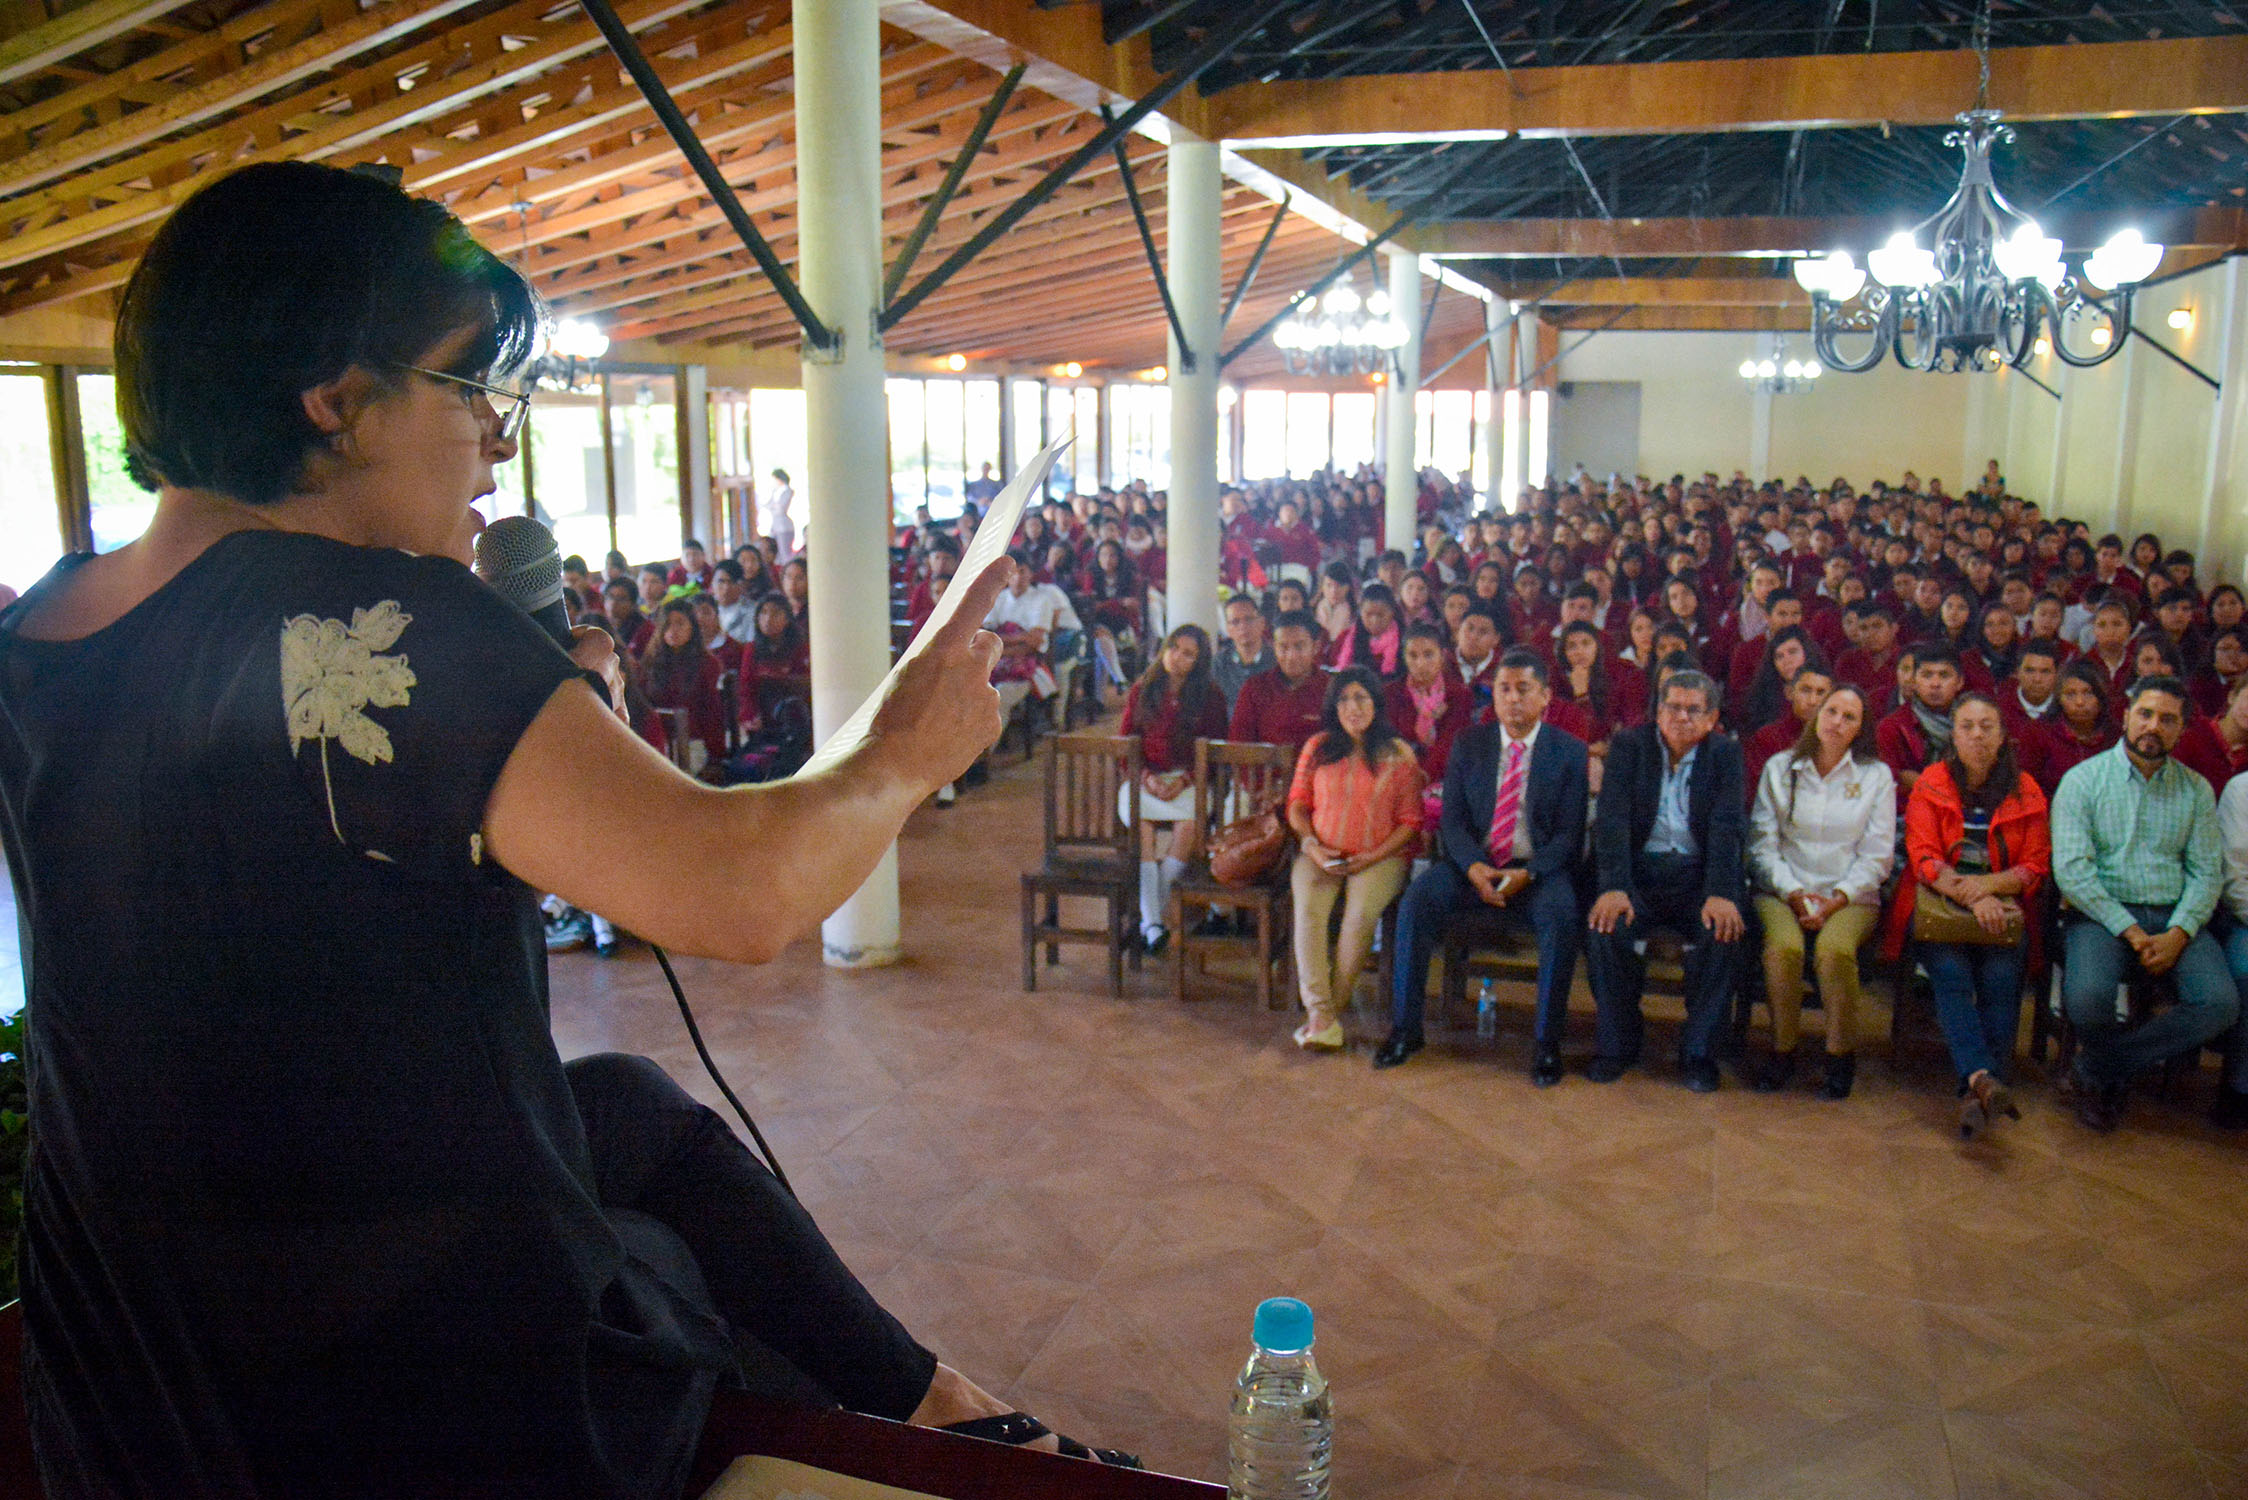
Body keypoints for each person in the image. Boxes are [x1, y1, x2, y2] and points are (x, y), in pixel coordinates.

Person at [0, 160, 1133, 1498]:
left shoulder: (45, 626)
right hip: (378, 1406)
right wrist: (909, 753)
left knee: (625, 1112)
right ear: (333, 396)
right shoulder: (380, 625)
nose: (499, 439)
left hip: (125, 1369)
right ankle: (929, 1438)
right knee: (716, 1312)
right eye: (469, 386)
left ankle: (939, 1401)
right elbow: (742, 895)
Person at [1375, 650, 1589, 1084]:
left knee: (1562, 916)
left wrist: (1527, 874)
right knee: (1416, 901)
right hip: (1473, 865)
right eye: (1503, 690)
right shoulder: (1471, 744)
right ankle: (1405, 1030)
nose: (1511, 700)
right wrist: (1473, 866)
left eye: (1522, 690)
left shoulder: (1568, 752)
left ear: (1545, 696)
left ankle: (1546, 1044)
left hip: (1535, 871)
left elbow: (1570, 834)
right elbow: (1451, 819)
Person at [2049, 676, 2239, 1132]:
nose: (2154, 727)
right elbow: (2073, 872)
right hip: (2101, 916)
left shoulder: (2196, 790)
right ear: (2128, 715)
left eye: (2168, 720)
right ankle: (2112, 1070)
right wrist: (2129, 930)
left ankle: (2098, 1069)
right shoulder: (2083, 780)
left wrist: (2179, 933)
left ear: (2182, 730)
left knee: (2220, 1003)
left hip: (2175, 917)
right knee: (2089, 997)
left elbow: (2206, 872)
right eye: (2146, 714)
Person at [1883, 695, 2051, 1140]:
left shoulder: (2026, 789)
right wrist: (1973, 898)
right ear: (1952, 735)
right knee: (1952, 972)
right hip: (1943, 907)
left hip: (2004, 908)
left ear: (2003, 736)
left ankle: (1972, 1088)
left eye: (1987, 726)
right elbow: (1922, 856)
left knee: (2000, 977)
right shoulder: (1932, 783)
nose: (1977, 735)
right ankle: (1984, 1080)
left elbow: (2035, 865)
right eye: (1967, 726)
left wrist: (1989, 890)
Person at [1585, 670, 1747, 1091]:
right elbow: (1612, 821)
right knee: (1606, 927)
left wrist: (1719, 893)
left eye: (1694, 710)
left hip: (1698, 875)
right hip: (1639, 871)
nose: (1682, 717)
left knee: (1725, 930)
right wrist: (1614, 886)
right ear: (1658, 711)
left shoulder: (1726, 754)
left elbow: (1728, 827)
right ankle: (1619, 1043)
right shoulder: (1629, 747)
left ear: (1712, 719)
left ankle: (1698, 1052)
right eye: (1673, 707)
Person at [1744, 685, 1895, 1098]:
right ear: (1815, 716)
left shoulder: (1876, 777)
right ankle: (1782, 1051)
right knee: (1784, 949)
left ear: (1861, 728)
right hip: (1782, 890)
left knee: (1834, 951)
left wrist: (1838, 898)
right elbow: (1761, 845)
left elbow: (1878, 856)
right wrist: (1794, 893)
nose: (1837, 723)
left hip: (1849, 896)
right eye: (1831, 712)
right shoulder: (1780, 767)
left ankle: (1839, 1054)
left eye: (1850, 717)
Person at [1284, 668, 1427, 1050]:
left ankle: (1331, 1012)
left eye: (1361, 697)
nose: (1353, 707)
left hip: (1382, 856)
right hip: (1321, 852)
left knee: (1360, 915)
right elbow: (1297, 804)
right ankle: (1321, 1014)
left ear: (1376, 703)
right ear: (1333, 705)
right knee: (1309, 909)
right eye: (1344, 699)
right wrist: (1312, 845)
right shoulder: (1318, 746)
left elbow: (1411, 823)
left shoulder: (1398, 753)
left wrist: (1370, 858)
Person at [1120, 624, 1228, 954]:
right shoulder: (1143, 690)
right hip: (1146, 779)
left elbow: (1213, 751)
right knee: (1143, 830)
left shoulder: (1210, 696)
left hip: (1187, 779)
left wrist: (1184, 780)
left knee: (1189, 828)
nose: (1177, 657)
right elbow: (1126, 743)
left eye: (1188, 653)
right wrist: (1146, 777)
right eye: (1174, 647)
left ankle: (1147, 919)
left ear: (1199, 661)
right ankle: (1154, 924)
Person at [636, 599, 727, 771]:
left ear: (692, 627)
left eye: (680, 624)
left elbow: (712, 712)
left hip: (694, 742)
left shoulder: (707, 663)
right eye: (667, 624)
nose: (673, 630)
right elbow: (641, 704)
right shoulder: (650, 662)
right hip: (657, 742)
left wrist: (716, 758)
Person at [2207, 772, 2248, 1128]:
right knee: (2246, 975)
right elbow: (2233, 879)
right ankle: (2239, 1089)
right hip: (2244, 918)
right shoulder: (2242, 790)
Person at [1384, 621, 1471, 781]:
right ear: (1404, 656)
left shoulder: (1459, 694)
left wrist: (1424, 776)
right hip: (1398, 776)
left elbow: (1450, 744)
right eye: (1413, 655)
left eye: (1429, 654)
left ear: (1442, 655)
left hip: (1444, 778)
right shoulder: (1391, 693)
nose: (1420, 663)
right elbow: (1390, 742)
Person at [1228, 609, 1327, 752]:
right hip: (1262, 773)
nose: (1291, 656)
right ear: (1274, 647)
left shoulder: (1330, 690)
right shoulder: (1254, 689)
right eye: (1283, 647)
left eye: (1299, 646)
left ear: (1315, 647)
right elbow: (1238, 749)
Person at [1876, 642, 1965, 794]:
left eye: (1944, 675)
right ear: (1915, 682)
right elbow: (1885, 781)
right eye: (1927, 675)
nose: (1935, 684)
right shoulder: (1891, 727)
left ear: (1959, 682)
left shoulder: (1972, 724)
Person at [1213, 591, 1274, 711]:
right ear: (1228, 629)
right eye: (1235, 622)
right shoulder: (1219, 663)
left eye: (1249, 619)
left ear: (1262, 623)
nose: (1243, 626)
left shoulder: (1277, 661)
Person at [761, 467, 797, 560]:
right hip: (775, 526)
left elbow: (781, 508)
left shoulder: (787, 491)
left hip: (784, 526)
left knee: (785, 552)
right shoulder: (776, 491)